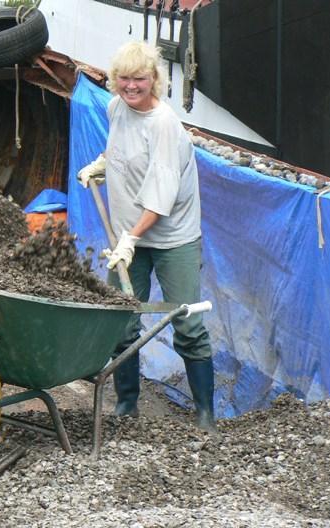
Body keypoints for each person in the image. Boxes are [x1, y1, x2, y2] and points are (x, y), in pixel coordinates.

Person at [77, 40, 216, 432]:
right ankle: (126, 404)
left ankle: (205, 414)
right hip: (129, 235)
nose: (130, 86)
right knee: (121, 318)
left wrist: (129, 240)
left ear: (154, 79)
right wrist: (101, 165)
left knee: (186, 323)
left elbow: (160, 198)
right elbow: (121, 150)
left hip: (172, 238)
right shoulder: (116, 108)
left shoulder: (164, 124)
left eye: (139, 78)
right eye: (123, 78)